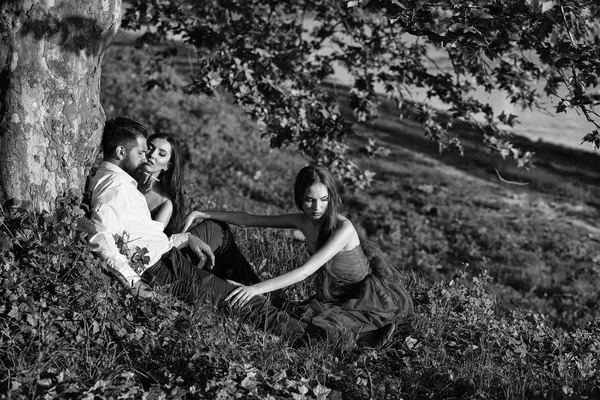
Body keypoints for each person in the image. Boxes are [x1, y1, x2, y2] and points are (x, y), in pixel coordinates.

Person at [87, 117, 296, 335]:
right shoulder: (115, 185)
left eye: (155, 152)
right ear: (121, 152)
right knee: (242, 301)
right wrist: (133, 283)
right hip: (162, 270)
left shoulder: (124, 183)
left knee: (237, 295)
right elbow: (100, 234)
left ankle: (287, 318)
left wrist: (181, 239)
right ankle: (307, 337)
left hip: (169, 261)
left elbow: (144, 235)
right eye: (142, 152)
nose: (145, 157)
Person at [182, 165, 415, 346]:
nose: (317, 207)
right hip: (334, 295)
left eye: (324, 200)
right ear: (299, 197)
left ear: (331, 198)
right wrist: (200, 212)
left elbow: (304, 272)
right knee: (297, 315)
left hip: (363, 296)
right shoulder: (301, 220)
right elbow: (250, 220)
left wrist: (254, 289)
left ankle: (365, 335)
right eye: (309, 199)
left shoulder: (344, 229)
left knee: (321, 329)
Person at [137, 133, 184, 235]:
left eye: (161, 154)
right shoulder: (124, 176)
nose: (152, 155)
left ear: (167, 166)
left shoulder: (165, 202)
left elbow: (152, 237)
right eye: (150, 148)